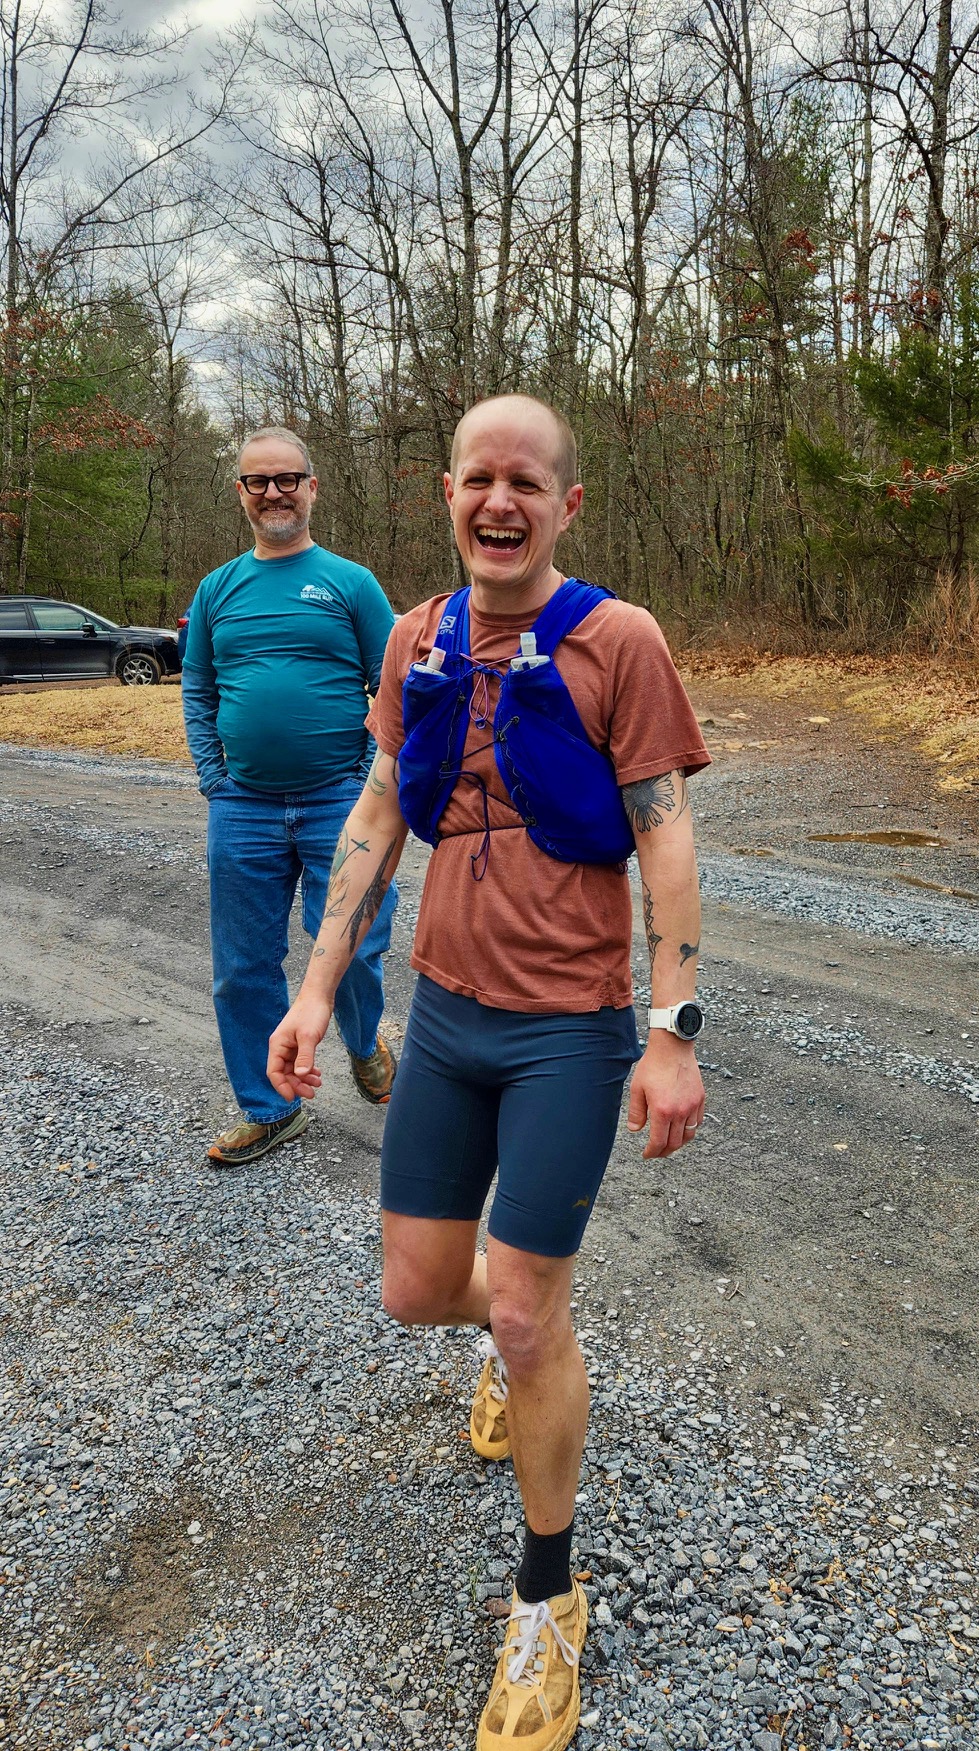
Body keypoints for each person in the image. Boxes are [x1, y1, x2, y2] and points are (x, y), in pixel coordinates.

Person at [267, 394, 710, 1749]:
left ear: (564, 505)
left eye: (525, 480)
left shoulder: (618, 641)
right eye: (477, 478)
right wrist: (318, 985)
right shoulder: (416, 639)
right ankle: (522, 1344)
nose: (498, 500)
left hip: (567, 1030)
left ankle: (546, 1596)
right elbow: (378, 810)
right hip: (447, 1020)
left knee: (521, 1305)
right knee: (416, 1290)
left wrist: (673, 1027)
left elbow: (665, 836)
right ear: (447, 494)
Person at [181, 425, 399, 1167]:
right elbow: (198, 687)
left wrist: (369, 776)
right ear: (240, 491)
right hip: (241, 806)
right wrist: (213, 776)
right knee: (241, 966)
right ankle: (270, 1109)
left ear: (312, 487)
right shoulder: (217, 589)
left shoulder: (352, 583)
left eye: (286, 479)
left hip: (342, 801)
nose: (272, 492)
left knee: (356, 945)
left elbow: (393, 687)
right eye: (257, 481)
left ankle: (363, 1041)